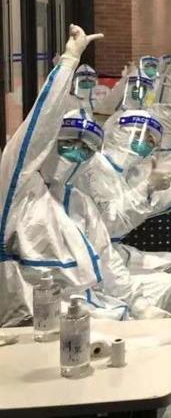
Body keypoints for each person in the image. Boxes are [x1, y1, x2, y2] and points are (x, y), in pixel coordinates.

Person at [0, 25, 104, 326]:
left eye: (85, 148)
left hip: (74, 309)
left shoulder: (64, 193)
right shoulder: (17, 184)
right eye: (68, 143)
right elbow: (39, 127)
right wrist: (69, 62)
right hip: (31, 320)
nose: (76, 153)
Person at [77, 109, 171, 315]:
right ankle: (147, 325)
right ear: (118, 131)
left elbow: (168, 199)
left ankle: (165, 322)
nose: (145, 143)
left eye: (151, 140)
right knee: (167, 283)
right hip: (93, 257)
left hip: (114, 250)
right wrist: (147, 187)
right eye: (140, 135)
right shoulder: (93, 168)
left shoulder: (133, 171)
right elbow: (109, 224)